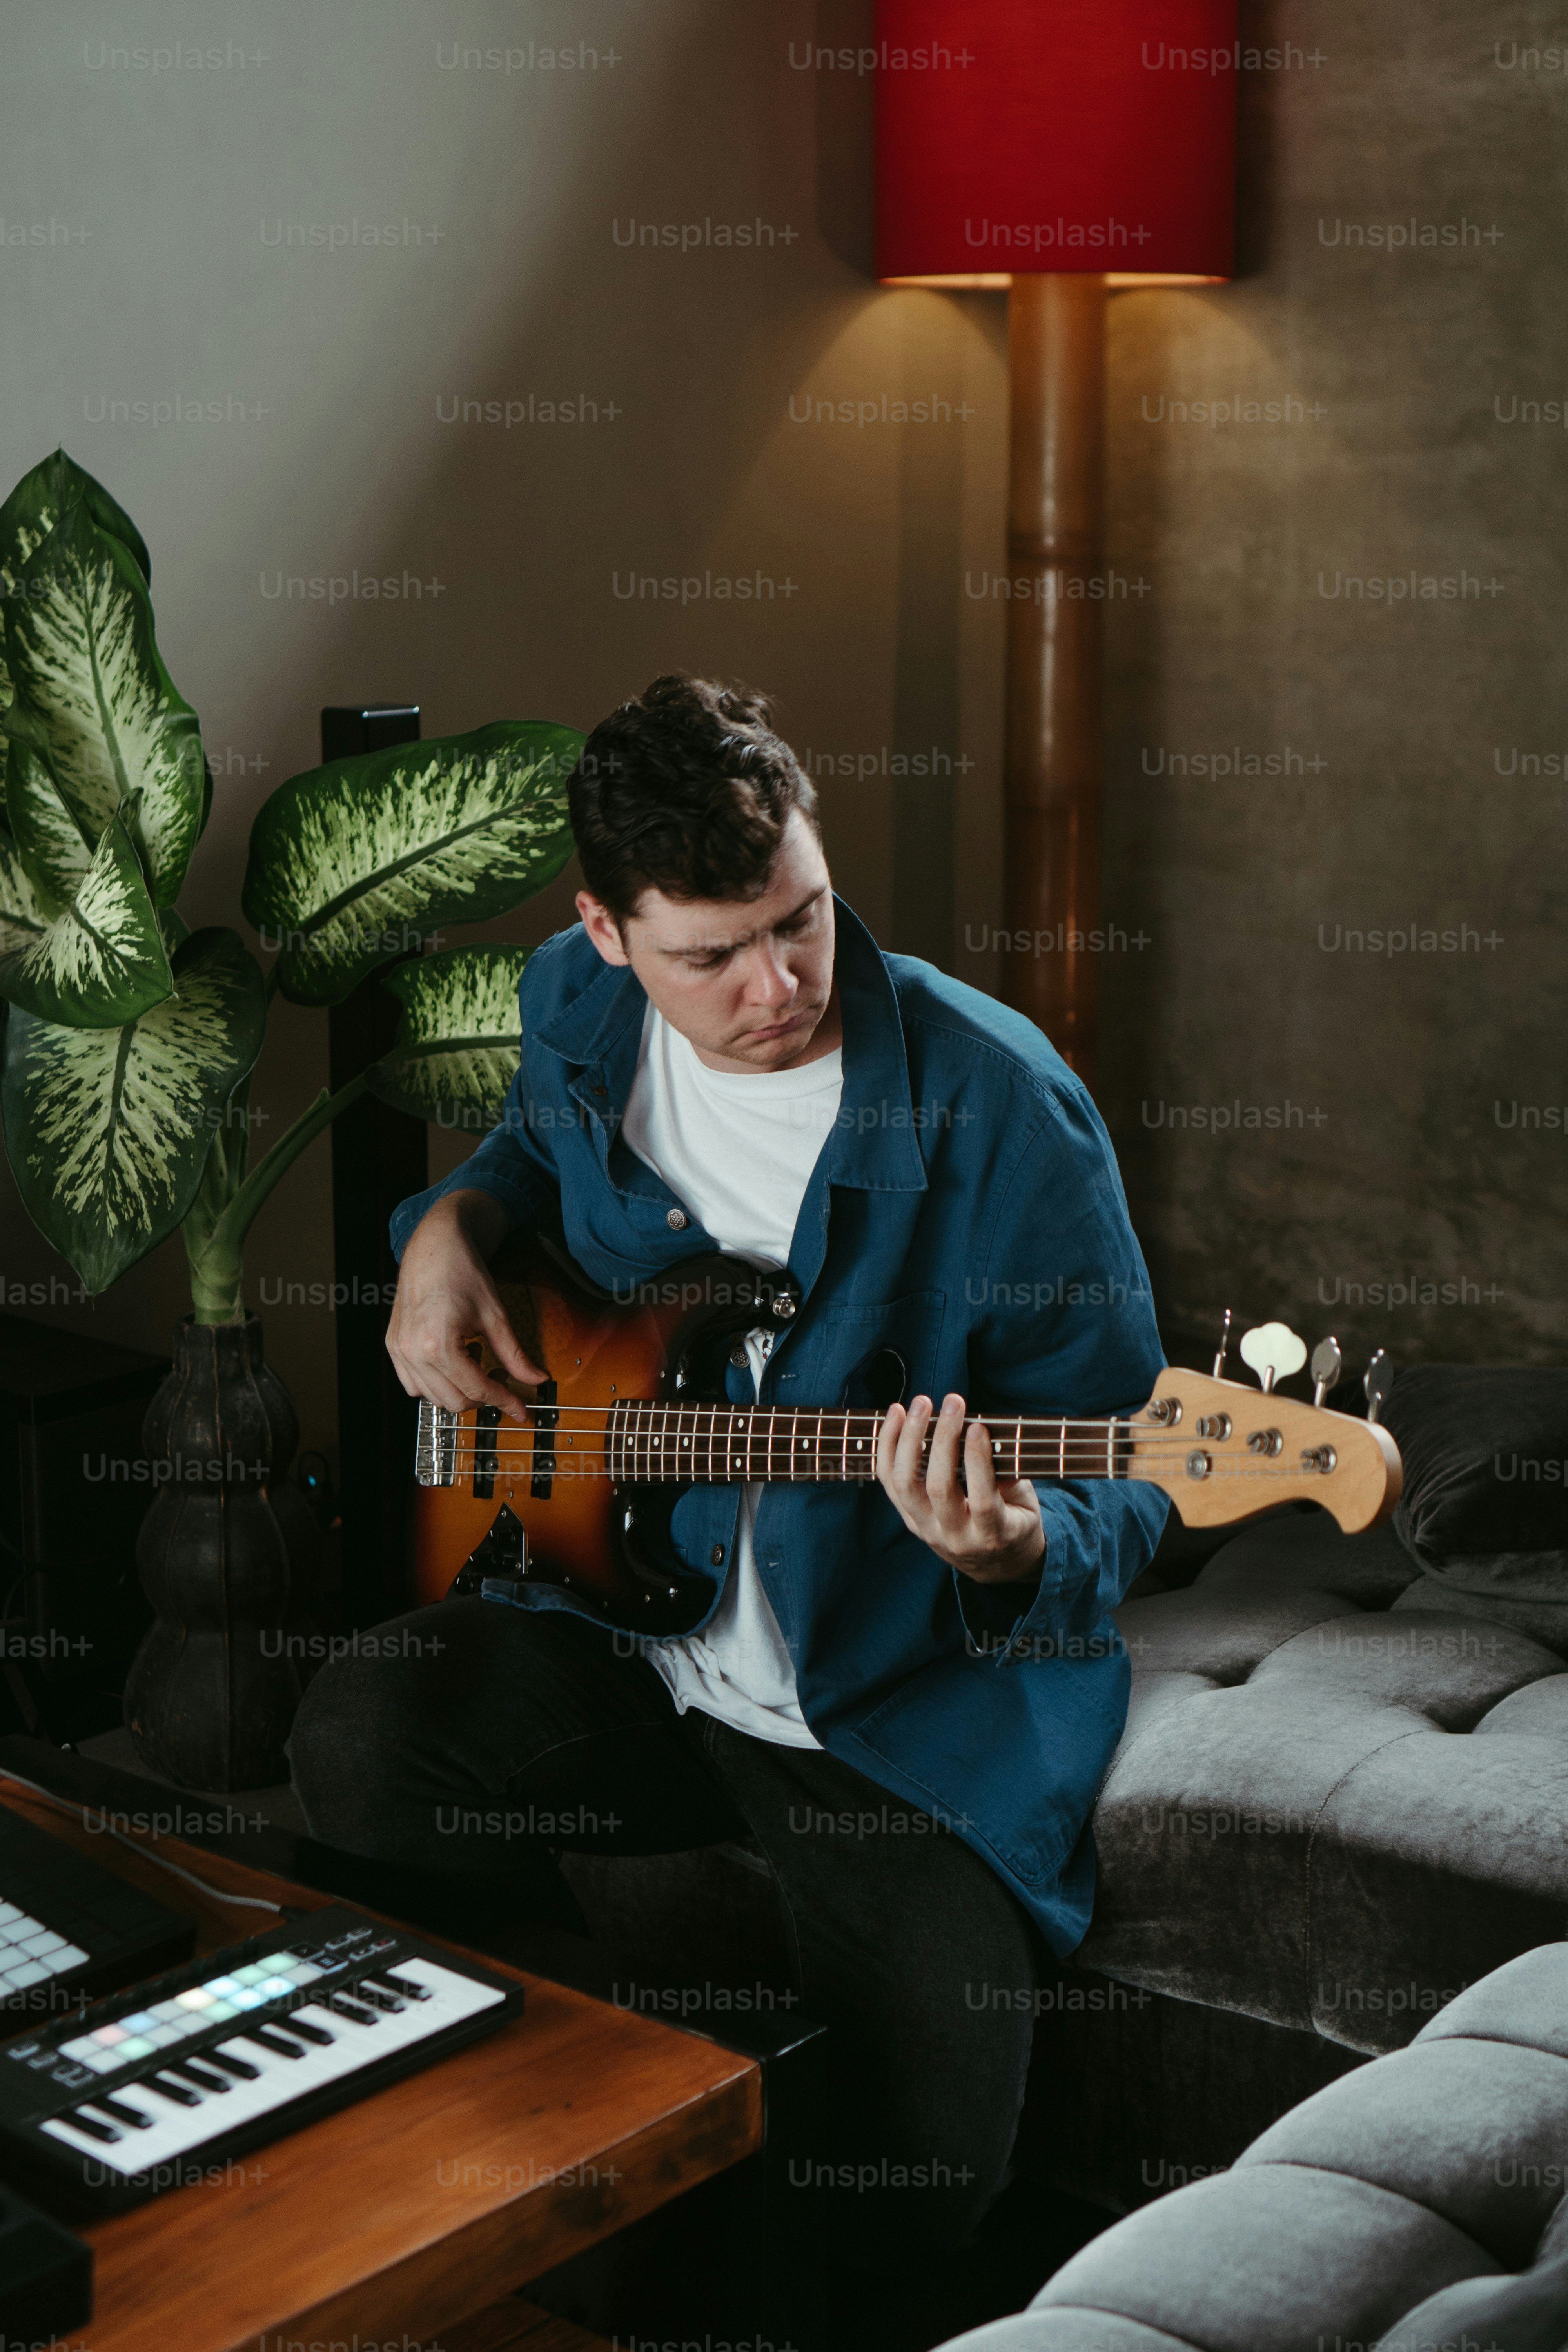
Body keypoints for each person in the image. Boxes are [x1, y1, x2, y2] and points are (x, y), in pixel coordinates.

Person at [289, 673, 1167, 2332]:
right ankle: (558, 2119)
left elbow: (1126, 1457)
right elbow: (522, 1159)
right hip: (618, 1637)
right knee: (362, 1735)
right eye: (712, 955)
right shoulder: (575, 1002)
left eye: (802, 921)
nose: (780, 986)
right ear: (607, 934)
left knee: (911, 2189)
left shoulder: (1000, 1102)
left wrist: (1020, 1544)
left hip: (886, 1713)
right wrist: (444, 1234)